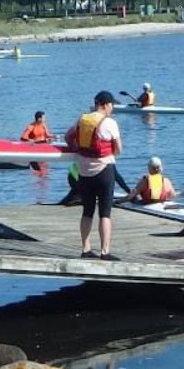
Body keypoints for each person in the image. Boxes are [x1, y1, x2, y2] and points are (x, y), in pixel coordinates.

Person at [65, 91, 123, 260]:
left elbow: (69, 137)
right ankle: (105, 252)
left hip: (84, 172)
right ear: (105, 105)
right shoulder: (109, 123)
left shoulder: (82, 120)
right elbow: (118, 149)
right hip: (104, 171)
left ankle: (86, 249)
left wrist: (77, 148)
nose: (112, 108)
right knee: (105, 213)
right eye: (112, 105)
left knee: (87, 211)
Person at [58, 161, 130, 206]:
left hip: (72, 178)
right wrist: (128, 191)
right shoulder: (107, 157)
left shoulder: (86, 150)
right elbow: (117, 177)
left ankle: (76, 198)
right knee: (106, 177)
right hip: (80, 180)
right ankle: (81, 199)